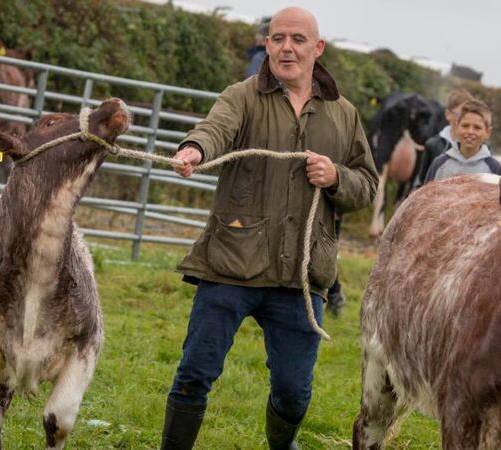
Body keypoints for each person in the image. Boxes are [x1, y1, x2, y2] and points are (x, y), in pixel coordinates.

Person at [162, 7, 378, 449]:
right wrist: (194, 150)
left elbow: (368, 185)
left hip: (302, 278)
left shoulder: (343, 114)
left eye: (298, 39)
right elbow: (214, 129)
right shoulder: (242, 96)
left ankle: (283, 444)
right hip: (231, 262)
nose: (286, 47)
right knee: (194, 373)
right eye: (277, 38)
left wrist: (337, 176)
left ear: (317, 49)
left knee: (294, 393)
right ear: (267, 45)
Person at [423, 99, 501, 183]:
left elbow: (498, 195)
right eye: (465, 126)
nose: (470, 132)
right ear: (457, 127)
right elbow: (425, 194)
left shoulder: (494, 167)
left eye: (477, 127)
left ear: (488, 132)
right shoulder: (439, 164)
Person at [413, 89, 474, 188]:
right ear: (448, 114)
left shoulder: (479, 149)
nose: (466, 119)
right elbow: (421, 183)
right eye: (461, 114)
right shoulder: (432, 145)